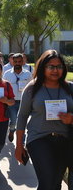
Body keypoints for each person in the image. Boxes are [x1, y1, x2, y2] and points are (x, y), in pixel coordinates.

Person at [15, 49, 73, 190]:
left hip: (65, 140)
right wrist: (19, 145)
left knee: (56, 182)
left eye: (59, 66)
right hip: (39, 139)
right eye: (51, 67)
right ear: (43, 67)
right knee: (47, 181)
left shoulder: (70, 88)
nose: (55, 70)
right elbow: (22, 116)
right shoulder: (32, 88)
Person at [3, 53, 32, 142]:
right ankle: (12, 131)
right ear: (12, 62)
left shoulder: (28, 74)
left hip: (24, 101)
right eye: (15, 62)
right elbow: (4, 87)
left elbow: (31, 87)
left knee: (23, 121)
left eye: (19, 61)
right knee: (14, 120)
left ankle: (21, 141)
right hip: (12, 102)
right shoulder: (7, 74)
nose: (17, 63)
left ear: (22, 62)